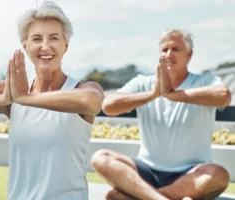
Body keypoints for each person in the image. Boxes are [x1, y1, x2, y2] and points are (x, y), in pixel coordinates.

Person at [0, 2, 104, 200]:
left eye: (54, 38)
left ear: (65, 45)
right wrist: (4, 98)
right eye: (36, 38)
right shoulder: (13, 93)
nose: (45, 46)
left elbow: (91, 101)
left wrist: (26, 98)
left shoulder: (80, 90)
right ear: (25, 46)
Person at [91, 28, 231, 200]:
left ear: (189, 54)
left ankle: (140, 197)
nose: (169, 53)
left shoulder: (205, 82)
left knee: (218, 175)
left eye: (176, 49)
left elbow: (223, 96)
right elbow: (108, 106)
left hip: (190, 174)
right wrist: (153, 94)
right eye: (165, 49)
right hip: (146, 171)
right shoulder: (143, 83)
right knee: (101, 158)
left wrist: (173, 95)